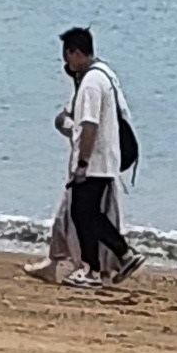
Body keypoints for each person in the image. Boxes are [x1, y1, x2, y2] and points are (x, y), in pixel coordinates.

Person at [52, 25, 134, 286]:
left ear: (75, 53)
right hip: (108, 158)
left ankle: (99, 266)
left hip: (95, 161)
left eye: (67, 56)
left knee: (84, 213)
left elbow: (89, 126)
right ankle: (112, 259)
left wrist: (82, 164)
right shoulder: (106, 74)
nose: (67, 63)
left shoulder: (90, 83)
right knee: (89, 213)